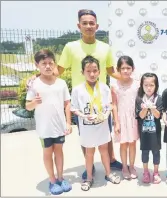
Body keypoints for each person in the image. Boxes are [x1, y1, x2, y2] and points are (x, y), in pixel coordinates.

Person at [27, 9, 123, 179]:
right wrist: (36, 77)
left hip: (101, 99)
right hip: (81, 101)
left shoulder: (105, 47)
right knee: (85, 135)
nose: (88, 26)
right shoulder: (70, 47)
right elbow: (58, 70)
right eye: (84, 23)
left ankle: (112, 160)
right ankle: (90, 165)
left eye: (91, 23)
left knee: (105, 132)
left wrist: (128, 78)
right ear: (78, 26)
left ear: (97, 26)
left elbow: (110, 70)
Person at [70, 56, 121, 191]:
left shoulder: (104, 88)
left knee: (104, 151)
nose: (92, 74)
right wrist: (83, 115)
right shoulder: (77, 90)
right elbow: (73, 108)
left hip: (102, 125)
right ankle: (89, 178)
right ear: (82, 72)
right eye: (88, 71)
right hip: (87, 127)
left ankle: (108, 173)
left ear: (99, 72)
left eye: (95, 70)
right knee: (89, 152)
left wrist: (105, 115)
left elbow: (109, 105)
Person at [26, 49, 72, 195]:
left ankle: (61, 178)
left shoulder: (61, 83)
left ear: (54, 64)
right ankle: (52, 181)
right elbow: (28, 106)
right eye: (43, 63)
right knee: (47, 152)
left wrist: (69, 123)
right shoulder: (34, 83)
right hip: (44, 128)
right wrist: (34, 102)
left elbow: (67, 104)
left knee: (59, 151)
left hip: (59, 126)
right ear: (37, 65)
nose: (47, 66)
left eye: (50, 63)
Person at [111, 56, 139, 180]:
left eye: (128, 68)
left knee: (132, 143)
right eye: (123, 68)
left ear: (133, 68)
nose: (126, 71)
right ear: (118, 70)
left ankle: (132, 166)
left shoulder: (137, 84)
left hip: (134, 119)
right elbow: (114, 105)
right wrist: (116, 122)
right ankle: (124, 167)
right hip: (121, 119)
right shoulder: (114, 86)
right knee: (123, 144)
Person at [135, 73, 163, 184]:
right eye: (146, 85)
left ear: (156, 86)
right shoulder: (139, 99)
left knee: (156, 152)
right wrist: (145, 108)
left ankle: (156, 172)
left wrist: (152, 107)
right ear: (142, 85)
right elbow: (140, 116)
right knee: (145, 152)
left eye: (151, 85)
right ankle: (145, 172)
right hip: (144, 133)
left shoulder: (158, 98)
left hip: (155, 133)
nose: (149, 87)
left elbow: (158, 115)